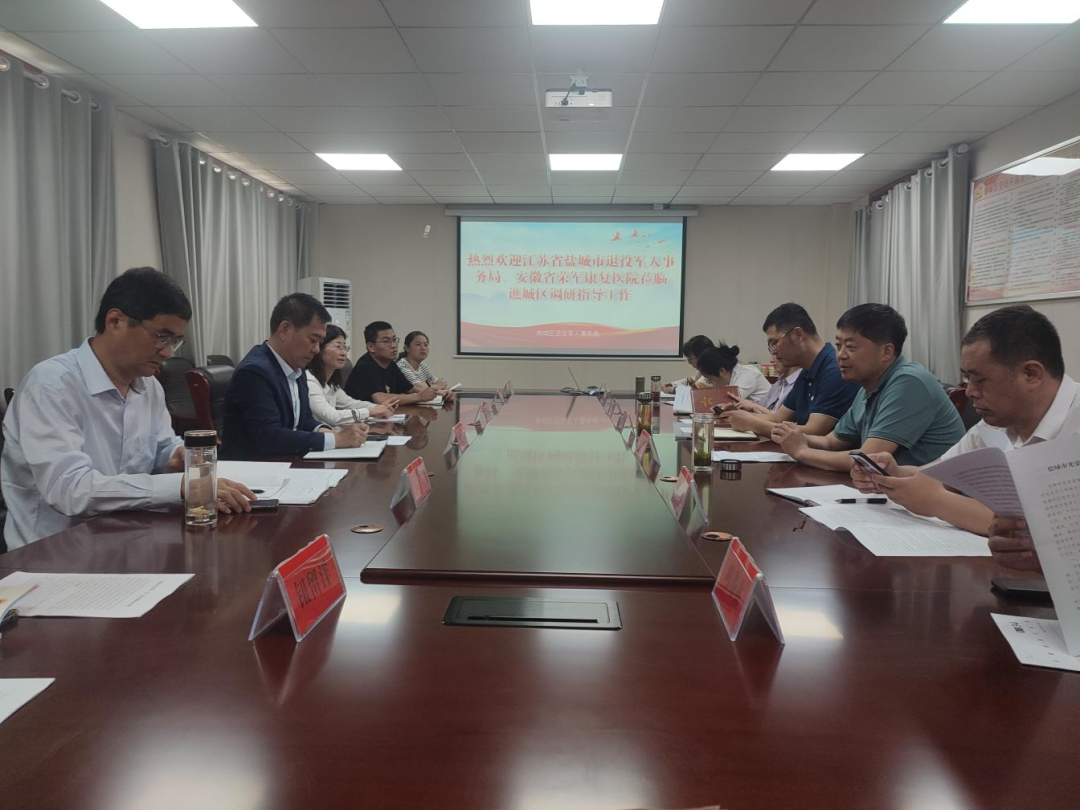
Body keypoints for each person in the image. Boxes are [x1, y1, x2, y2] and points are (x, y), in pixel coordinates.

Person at [1, 267, 255, 550]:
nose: (168, 352)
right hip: (53, 555)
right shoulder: (51, 386)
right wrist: (182, 486)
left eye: (175, 341)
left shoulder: (149, 386)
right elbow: (70, 489)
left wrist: (176, 455)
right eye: (161, 337)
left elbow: (161, 447)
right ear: (116, 321)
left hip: (131, 539)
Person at [851, 305, 1079, 571]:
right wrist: (893, 472)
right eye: (966, 378)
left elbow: (1048, 535)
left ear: (1031, 374)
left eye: (979, 380)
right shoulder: (996, 423)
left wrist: (937, 502)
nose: (969, 391)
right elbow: (941, 474)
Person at [771, 304, 965, 472]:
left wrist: (802, 452)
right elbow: (831, 442)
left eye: (851, 347)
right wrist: (796, 436)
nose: (841, 355)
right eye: (838, 346)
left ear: (886, 352)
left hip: (931, 494)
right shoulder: (868, 385)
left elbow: (868, 459)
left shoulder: (909, 382)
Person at [222, 294, 368, 458]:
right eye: (313, 340)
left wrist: (326, 431)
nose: (316, 350)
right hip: (252, 467)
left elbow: (304, 420)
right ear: (285, 330)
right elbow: (269, 437)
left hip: (286, 460)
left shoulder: (297, 368)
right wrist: (336, 439)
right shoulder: (254, 372)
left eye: (320, 342)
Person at [723, 303, 859, 437]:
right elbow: (778, 418)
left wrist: (751, 423)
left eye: (774, 343)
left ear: (798, 335)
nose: (773, 352)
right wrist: (738, 415)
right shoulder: (806, 372)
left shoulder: (834, 370)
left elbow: (814, 431)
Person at [307, 325, 398, 425]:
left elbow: (351, 404)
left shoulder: (331, 383)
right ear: (319, 348)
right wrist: (370, 411)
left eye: (345, 347)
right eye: (338, 347)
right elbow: (332, 416)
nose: (343, 353)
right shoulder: (309, 380)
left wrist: (378, 407)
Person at [345, 321, 440, 405]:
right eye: (386, 341)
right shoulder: (365, 366)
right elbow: (379, 398)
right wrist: (419, 397)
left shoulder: (390, 364)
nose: (394, 345)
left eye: (394, 340)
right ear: (371, 347)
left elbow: (410, 389)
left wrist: (438, 393)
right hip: (358, 418)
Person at [695, 344, 771, 402]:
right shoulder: (730, 374)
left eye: (710, 380)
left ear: (722, 371)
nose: (712, 384)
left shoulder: (746, 375)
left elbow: (727, 402)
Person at [397, 331, 453, 401]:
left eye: (426, 345)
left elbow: (437, 383)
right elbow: (419, 388)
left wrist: (447, 391)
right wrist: (439, 386)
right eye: (418, 344)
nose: (423, 348)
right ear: (407, 348)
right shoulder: (402, 366)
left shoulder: (422, 366)